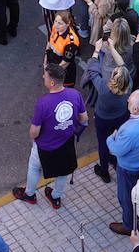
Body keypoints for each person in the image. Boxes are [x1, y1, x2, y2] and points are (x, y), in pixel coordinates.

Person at [13, 62, 88, 209]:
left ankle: (29, 194)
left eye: (45, 76)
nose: (43, 77)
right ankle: (55, 197)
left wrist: (32, 138)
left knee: (34, 167)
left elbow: (34, 131)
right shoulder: (75, 94)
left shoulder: (43, 103)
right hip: (66, 142)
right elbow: (84, 118)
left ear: (52, 82)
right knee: (63, 171)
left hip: (45, 146)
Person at [106, 89, 139, 236]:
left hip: (129, 169)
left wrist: (110, 138)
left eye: (129, 102)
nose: (127, 101)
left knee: (127, 197)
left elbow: (116, 150)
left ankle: (129, 225)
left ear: (135, 109)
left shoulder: (129, 131)